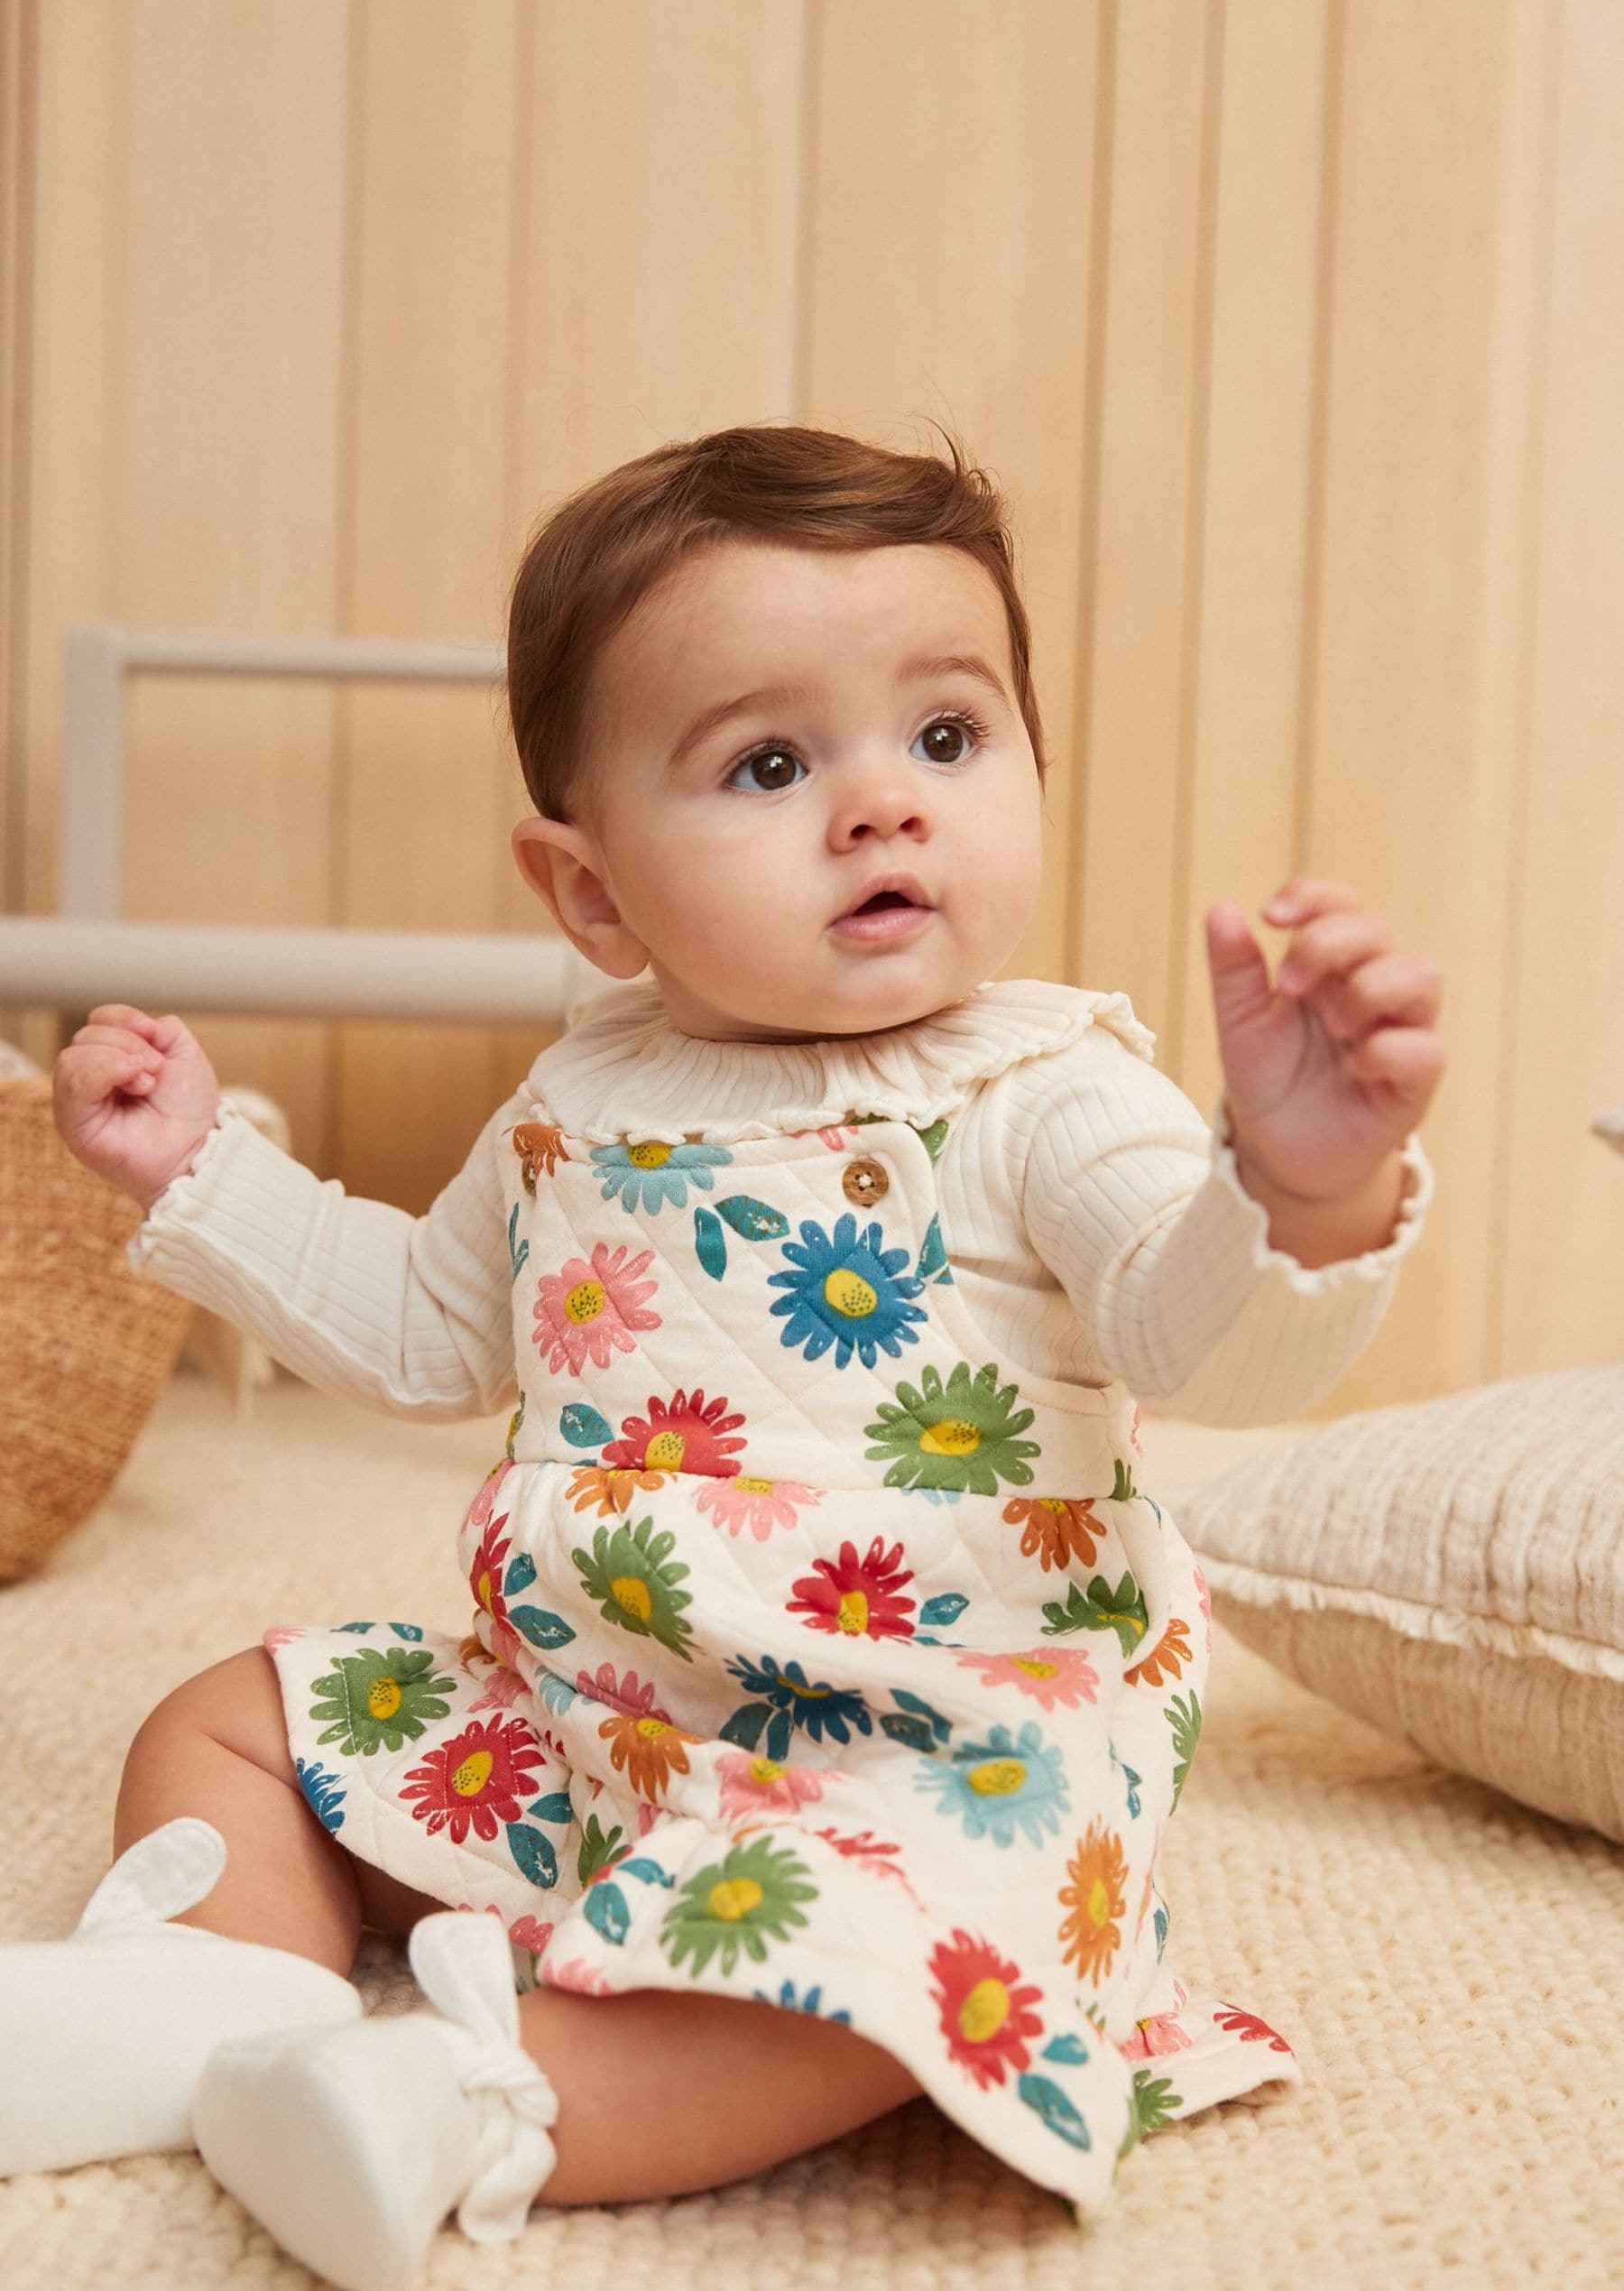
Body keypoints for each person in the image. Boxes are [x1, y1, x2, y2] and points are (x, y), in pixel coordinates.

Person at [16, 423, 1443, 2291]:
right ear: (591, 892)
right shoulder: (580, 1095)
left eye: (946, 736)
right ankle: (199, 2002)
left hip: (934, 1751)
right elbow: (422, 1325)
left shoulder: (1049, 1094)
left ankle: (460, 2094)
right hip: (601, 1713)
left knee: (882, 1971)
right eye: (770, 763)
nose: (882, 808)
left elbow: (1209, 1334)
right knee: (239, 1719)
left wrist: (1299, 1181)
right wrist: (209, 1174)